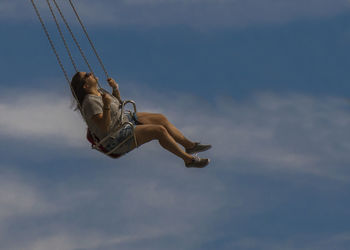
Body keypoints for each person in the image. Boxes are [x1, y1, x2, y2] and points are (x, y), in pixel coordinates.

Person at [70, 72, 211, 168]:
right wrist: (106, 105)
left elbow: (117, 104)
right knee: (159, 131)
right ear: (85, 86)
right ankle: (188, 159)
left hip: (123, 120)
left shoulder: (100, 91)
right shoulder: (90, 102)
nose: (90, 73)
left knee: (160, 118)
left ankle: (190, 146)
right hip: (115, 137)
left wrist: (115, 89)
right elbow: (104, 127)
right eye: (87, 75)